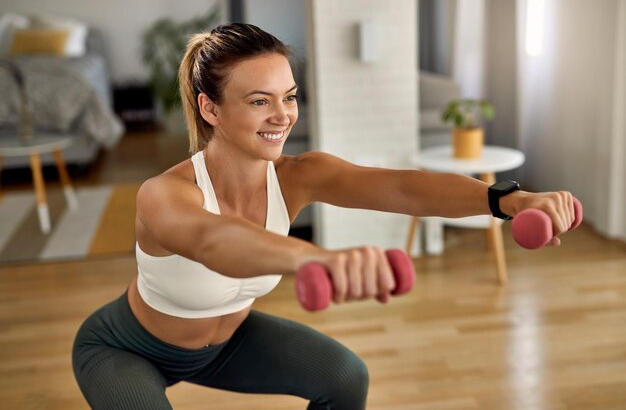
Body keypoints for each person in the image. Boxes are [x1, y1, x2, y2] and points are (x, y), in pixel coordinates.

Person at [72, 23, 576, 410]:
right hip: (126, 348)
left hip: (227, 345)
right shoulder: (164, 194)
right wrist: (319, 259)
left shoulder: (297, 175)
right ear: (210, 109)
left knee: (344, 377)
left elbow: (402, 187)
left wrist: (507, 200)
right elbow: (215, 241)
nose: (283, 116)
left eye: (289, 97)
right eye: (258, 101)